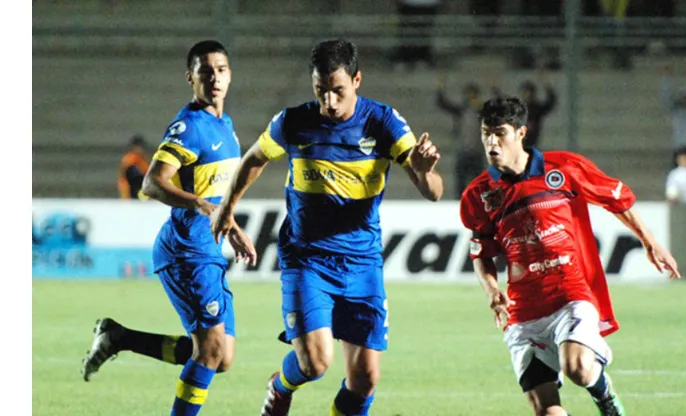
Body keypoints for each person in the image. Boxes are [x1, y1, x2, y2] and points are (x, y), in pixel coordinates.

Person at [210, 39, 444, 416]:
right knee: (315, 363)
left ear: (357, 80)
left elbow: (433, 192)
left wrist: (424, 170)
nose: (330, 102)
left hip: (362, 263)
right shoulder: (294, 122)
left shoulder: (383, 123)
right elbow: (254, 159)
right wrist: (226, 208)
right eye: (321, 92)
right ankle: (280, 385)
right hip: (308, 260)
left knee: (365, 378)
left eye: (338, 91)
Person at [459, 96, 680, 416]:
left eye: (500, 132)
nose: (491, 142)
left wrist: (650, 242)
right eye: (486, 133)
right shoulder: (478, 194)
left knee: (577, 367)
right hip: (523, 309)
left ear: (521, 132)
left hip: (570, 294)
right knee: (548, 411)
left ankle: (606, 399)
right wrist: (493, 293)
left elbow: (616, 197)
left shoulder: (563, 168)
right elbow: (481, 251)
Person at [81, 40, 257, 416]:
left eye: (221, 70)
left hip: (206, 247)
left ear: (230, 75)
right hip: (186, 250)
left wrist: (232, 226)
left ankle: (119, 337)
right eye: (205, 71)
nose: (214, 78)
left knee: (221, 357)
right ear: (190, 78)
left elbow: (215, 192)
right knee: (209, 351)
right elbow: (150, 183)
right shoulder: (189, 126)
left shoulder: (224, 125)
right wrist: (200, 205)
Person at [435, 75, 487, 198]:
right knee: (460, 184)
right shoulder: (462, 110)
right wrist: (440, 88)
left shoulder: (482, 111)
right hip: (463, 151)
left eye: (473, 95)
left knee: (478, 185)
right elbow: (443, 104)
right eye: (469, 95)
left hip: (477, 152)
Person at [518, 76, 557, 150]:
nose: (527, 95)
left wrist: (547, 86)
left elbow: (550, 103)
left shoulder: (536, 108)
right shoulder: (519, 108)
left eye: (528, 92)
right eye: (525, 92)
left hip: (533, 141)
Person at [117, 135, 150, 200]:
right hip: (129, 193)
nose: (140, 150)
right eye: (138, 147)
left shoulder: (143, 160)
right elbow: (132, 175)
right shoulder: (130, 158)